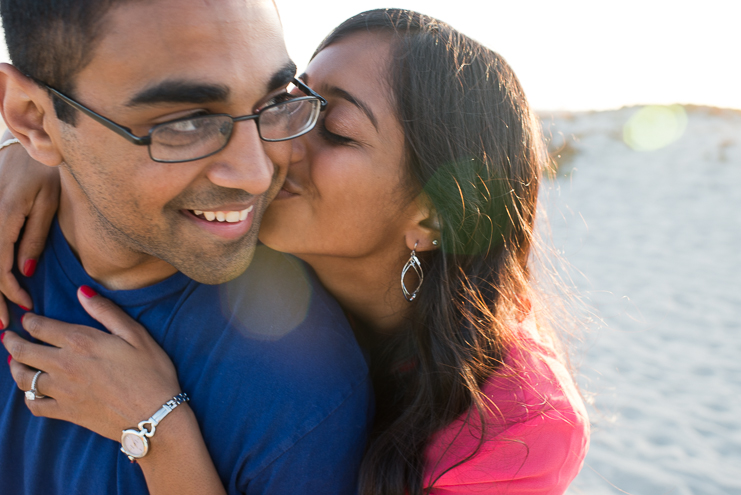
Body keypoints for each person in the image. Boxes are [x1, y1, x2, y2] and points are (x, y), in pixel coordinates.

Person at [0, 8, 589, 495]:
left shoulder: (520, 424)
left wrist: (157, 429)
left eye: (336, 132)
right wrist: (48, 151)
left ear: (436, 213)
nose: (265, 158)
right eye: (289, 101)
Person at [0, 1, 373, 494]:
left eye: (275, 99)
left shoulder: (304, 391)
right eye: (187, 123)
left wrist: (156, 432)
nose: (257, 174)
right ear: (33, 120)